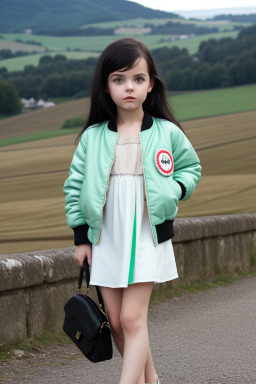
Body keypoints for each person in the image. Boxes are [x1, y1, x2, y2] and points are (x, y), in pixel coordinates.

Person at [63, 37, 202, 384]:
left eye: (138, 79)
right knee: (116, 318)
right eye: (119, 79)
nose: (129, 87)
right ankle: (151, 381)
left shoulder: (167, 132)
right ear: (106, 86)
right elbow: (74, 187)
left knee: (132, 319)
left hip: (147, 234)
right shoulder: (92, 138)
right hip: (106, 237)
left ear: (151, 84)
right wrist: (82, 238)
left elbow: (191, 170)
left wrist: (174, 189)